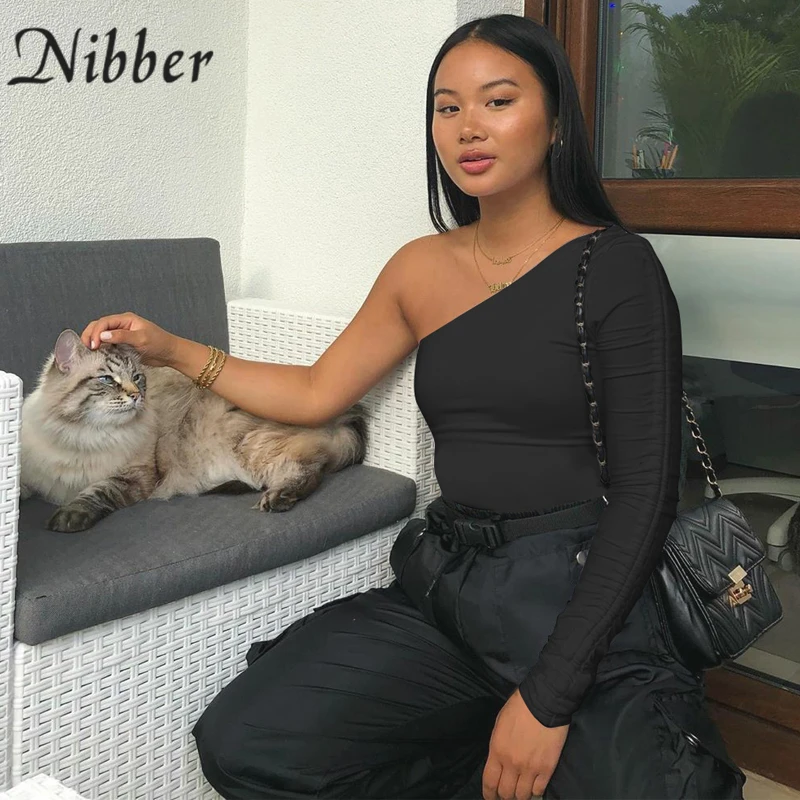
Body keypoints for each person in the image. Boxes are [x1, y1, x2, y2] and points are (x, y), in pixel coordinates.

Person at [81, 13, 746, 800]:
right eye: (446, 107)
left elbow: (645, 496)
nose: (468, 127)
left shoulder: (616, 268)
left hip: (579, 588)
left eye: (498, 101)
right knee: (246, 742)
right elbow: (317, 392)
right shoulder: (420, 268)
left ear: (557, 121)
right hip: (455, 584)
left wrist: (548, 697)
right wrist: (172, 349)